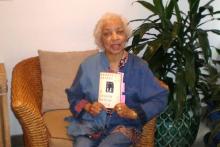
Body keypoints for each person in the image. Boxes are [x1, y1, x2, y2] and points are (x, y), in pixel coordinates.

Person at [65, 12, 169, 147]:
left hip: (124, 126)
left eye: (119, 32)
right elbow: (74, 96)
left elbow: (160, 97)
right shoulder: (88, 65)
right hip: (91, 124)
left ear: (126, 36)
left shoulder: (139, 67)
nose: (114, 38)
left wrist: (133, 113)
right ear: (101, 40)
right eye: (107, 34)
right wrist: (89, 107)